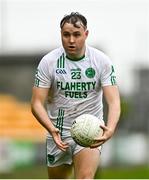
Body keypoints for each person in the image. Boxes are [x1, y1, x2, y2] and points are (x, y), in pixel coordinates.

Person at [31, 12, 121, 179]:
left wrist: (110, 129)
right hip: (58, 133)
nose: (71, 40)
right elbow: (36, 103)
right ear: (61, 34)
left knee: (85, 177)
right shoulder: (48, 62)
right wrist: (51, 129)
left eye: (76, 34)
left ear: (86, 34)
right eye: (66, 35)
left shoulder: (101, 61)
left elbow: (114, 101)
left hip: (90, 131)